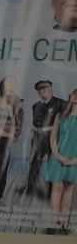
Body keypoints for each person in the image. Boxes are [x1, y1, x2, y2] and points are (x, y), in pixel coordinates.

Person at [27, 79, 65, 200]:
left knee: (53, 165)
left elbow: (66, 123)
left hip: (54, 139)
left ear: (51, 89)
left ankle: (51, 193)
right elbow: (35, 124)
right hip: (38, 139)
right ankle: (30, 189)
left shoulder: (61, 103)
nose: (43, 92)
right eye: (40, 90)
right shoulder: (36, 106)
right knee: (34, 164)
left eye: (45, 88)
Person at [47, 94, 77, 234]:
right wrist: (58, 155)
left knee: (69, 190)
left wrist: (74, 160)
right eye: (74, 95)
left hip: (75, 159)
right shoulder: (61, 116)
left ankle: (64, 222)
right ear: (70, 97)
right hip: (58, 157)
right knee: (57, 188)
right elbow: (53, 138)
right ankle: (55, 222)